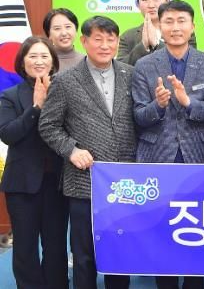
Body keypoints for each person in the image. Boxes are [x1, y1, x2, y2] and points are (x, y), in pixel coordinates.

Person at [39, 16, 135, 289]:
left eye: (110, 39)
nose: (105, 45)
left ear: (117, 41)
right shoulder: (65, 80)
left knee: (121, 252)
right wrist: (71, 150)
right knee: (84, 256)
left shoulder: (131, 74)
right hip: (84, 180)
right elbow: (48, 125)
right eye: (98, 39)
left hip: (124, 181)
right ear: (84, 41)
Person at [131, 0, 204, 289]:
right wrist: (158, 105)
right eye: (168, 21)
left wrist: (187, 102)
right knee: (161, 231)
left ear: (192, 26)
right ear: (159, 26)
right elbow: (138, 116)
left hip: (198, 156)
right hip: (157, 157)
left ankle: (196, 283)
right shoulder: (144, 65)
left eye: (182, 21)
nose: (175, 27)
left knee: (197, 227)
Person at [0, 36, 68, 289]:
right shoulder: (10, 95)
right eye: (33, 56)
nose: (39, 61)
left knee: (56, 245)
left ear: (53, 61)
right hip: (22, 184)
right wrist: (36, 107)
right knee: (25, 247)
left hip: (57, 183)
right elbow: (8, 134)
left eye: (44, 56)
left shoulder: (64, 91)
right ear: (22, 62)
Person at [118, 0, 196, 65]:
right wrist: (143, 46)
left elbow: (191, 63)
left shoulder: (183, 32)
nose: (151, 5)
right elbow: (121, 69)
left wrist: (157, 45)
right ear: (138, 4)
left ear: (167, 1)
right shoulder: (128, 36)